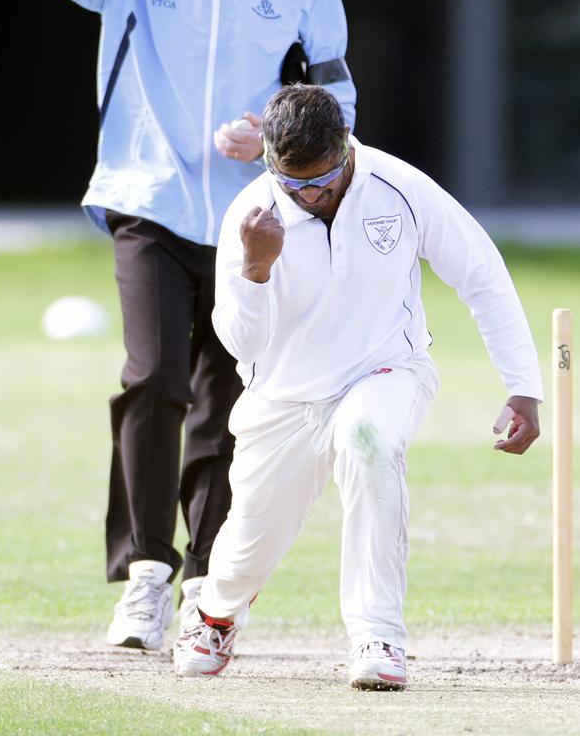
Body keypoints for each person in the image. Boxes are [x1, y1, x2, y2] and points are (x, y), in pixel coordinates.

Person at [24, 0, 356, 651]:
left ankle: (211, 579)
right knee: (152, 376)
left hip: (255, 217)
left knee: (229, 397)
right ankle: (145, 575)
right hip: (146, 199)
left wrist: (278, 142)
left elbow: (338, 106)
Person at [172, 84, 542, 689]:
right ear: (269, 163)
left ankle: (378, 636)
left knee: (369, 440)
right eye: (295, 185)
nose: (311, 196)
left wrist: (523, 384)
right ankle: (214, 615)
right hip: (284, 394)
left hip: (386, 368)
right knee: (248, 542)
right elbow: (242, 345)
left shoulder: (400, 186)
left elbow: (482, 274)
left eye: (323, 178)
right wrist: (256, 269)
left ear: (346, 148)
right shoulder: (250, 216)